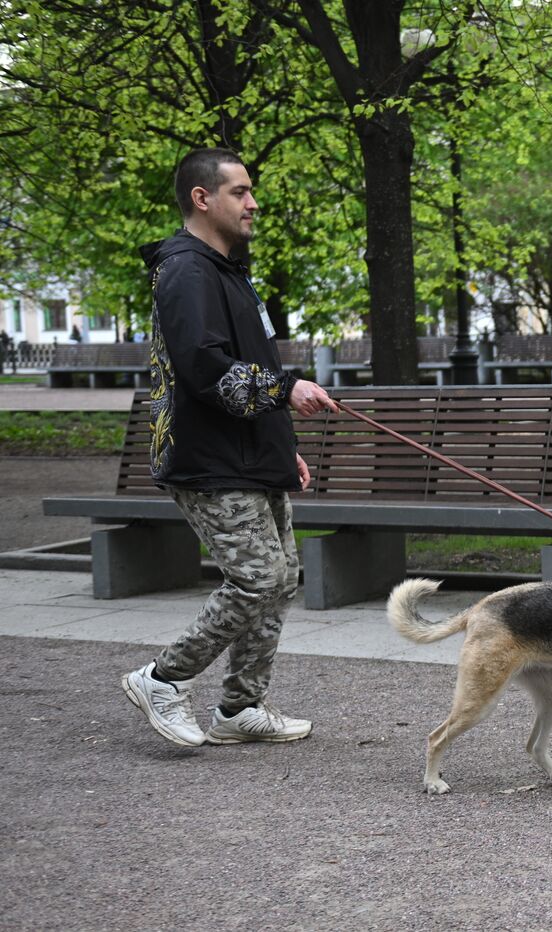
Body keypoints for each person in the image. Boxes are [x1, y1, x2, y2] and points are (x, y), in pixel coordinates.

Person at [120, 147, 336, 747]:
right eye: (240, 191)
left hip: (249, 454)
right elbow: (205, 369)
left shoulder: (226, 270)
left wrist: (279, 445)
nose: (253, 202)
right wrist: (290, 388)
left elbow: (248, 363)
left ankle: (240, 709)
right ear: (202, 198)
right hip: (208, 458)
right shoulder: (186, 270)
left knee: (282, 577)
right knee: (258, 579)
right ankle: (162, 678)